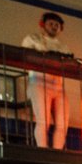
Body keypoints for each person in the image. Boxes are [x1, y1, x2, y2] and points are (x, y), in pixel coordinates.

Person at [21, 11, 70, 149]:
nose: (54, 27)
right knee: (43, 120)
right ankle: (42, 149)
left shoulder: (64, 47)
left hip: (58, 85)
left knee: (62, 123)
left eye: (56, 25)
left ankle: (58, 151)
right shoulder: (32, 39)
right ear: (43, 24)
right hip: (39, 81)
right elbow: (25, 56)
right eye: (51, 24)